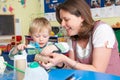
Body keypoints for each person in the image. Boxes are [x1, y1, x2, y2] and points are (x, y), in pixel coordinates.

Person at [41, 0, 120, 76]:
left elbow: (98, 71)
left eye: (66, 19)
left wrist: (65, 59)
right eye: (61, 20)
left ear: (82, 17)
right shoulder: (73, 37)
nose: (62, 24)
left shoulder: (102, 30)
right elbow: (72, 68)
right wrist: (59, 63)